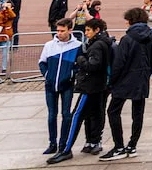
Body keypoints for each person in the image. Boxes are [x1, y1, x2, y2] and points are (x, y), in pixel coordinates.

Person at [48, 18, 114, 164]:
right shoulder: (103, 43)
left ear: (96, 30)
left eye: (88, 30)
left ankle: (66, 149)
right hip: (99, 86)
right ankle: (93, 141)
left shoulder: (97, 46)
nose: (86, 33)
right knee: (95, 114)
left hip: (90, 86)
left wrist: (81, 60)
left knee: (76, 116)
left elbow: (93, 65)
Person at [101, 7, 152, 161]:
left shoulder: (127, 39)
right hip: (142, 79)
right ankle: (132, 145)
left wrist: (111, 81)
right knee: (138, 114)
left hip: (125, 80)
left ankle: (119, 146)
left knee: (113, 111)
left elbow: (119, 63)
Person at [39, 18, 82, 156]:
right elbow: (42, 62)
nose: (59, 33)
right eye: (58, 30)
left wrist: (71, 74)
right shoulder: (49, 45)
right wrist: (47, 75)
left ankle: (63, 143)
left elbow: (80, 65)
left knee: (66, 114)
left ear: (70, 30)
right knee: (52, 115)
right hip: (50, 85)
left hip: (67, 85)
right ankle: (52, 143)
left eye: (62, 31)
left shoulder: (78, 46)